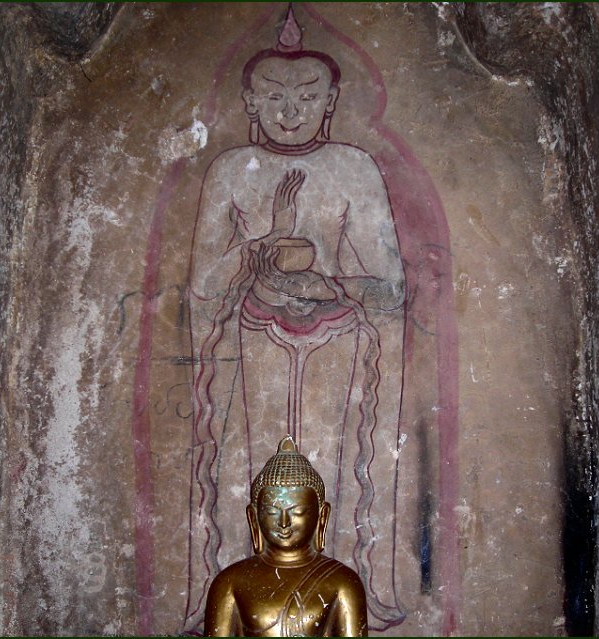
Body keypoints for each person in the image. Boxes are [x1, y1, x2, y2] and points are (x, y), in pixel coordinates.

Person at [185, 7, 406, 631]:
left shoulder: (353, 169)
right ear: (251, 103)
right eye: (274, 98)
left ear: (330, 101)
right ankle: (250, 589)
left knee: (335, 473)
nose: (290, 111)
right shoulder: (229, 171)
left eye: (307, 97)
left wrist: (327, 278)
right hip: (254, 337)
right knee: (247, 467)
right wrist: (265, 241)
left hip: (337, 341)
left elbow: (390, 288)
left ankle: (334, 591)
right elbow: (203, 285)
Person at [204, 436, 368, 637]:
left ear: (321, 515)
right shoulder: (229, 582)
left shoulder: (343, 582)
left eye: (297, 512)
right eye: (272, 512)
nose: (284, 522)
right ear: (254, 517)